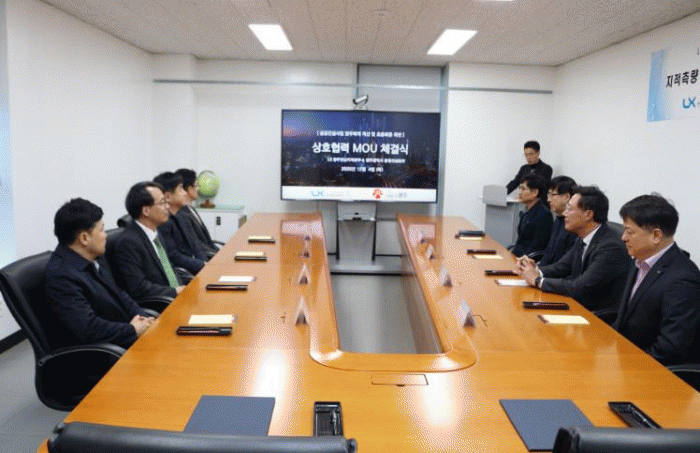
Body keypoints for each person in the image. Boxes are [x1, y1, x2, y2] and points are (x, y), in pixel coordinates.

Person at [45, 198, 155, 348]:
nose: (106, 235)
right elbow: (89, 328)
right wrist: (132, 329)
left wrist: (145, 317)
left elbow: (119, 293)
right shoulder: (61, 276)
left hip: (127, 334)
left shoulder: (95, 256)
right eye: (102, 229)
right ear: (84, 238)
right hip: (108, 351)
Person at [613, 195, 700, 365]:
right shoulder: (640, 259)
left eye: (630, 232)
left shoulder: (682, 279)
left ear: (656, 236)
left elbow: (670, 348)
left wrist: (630, 364)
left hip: (649, 369)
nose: (623, 237)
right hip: (624, 355)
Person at [516, 186, 631, 311]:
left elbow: (580, 286)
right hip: (577, 305)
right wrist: (534, 269)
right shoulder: (584, 236)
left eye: (569, 209)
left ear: (588, 214)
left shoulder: (610, 246)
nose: (565, 213)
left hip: (595, 314)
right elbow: (562, 267)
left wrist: (538, 281)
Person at [110, 182, 184, 300]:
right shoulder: (128, 242)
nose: (167, 207)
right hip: (160, 303)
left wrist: (183, 288)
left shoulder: (154, 233)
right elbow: (138, 287)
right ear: (146, 211)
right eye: (162, 202)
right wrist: (174, 291)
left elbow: (169, 269)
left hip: (176, 297)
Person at [153, 172, 206, 274]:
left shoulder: (181, 216)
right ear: (168, 197)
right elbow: (173, 256)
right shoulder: (163, 223)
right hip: (184, 274)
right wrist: (201, 265)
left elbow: (195, 245)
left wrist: (206, 263)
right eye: (181, 189)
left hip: (196, 269)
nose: (185, 193)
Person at [175, 168, 219, 255]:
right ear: (190, 189)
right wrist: (216, 255)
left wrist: (221, 252)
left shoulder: (191, 209)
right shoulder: (182, 214)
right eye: (197, 185)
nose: (198, 189)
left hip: (211, 252)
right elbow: (196, 244)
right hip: (205, 257)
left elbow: (207, 241)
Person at [538, 176, 578, 266]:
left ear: (566, 197)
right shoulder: (558, 220)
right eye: (548, 195)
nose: (548, 200)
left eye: (552, 195)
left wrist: (540, 271)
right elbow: (548, 253)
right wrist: (535, 266)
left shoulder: (574, 225)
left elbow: (565, 264)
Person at [510, 174, 552, 257]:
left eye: (523, 189)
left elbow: (538, 247)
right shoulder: (526, 211)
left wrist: (522, 259)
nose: (519, 192)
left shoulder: (544, 214)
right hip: (519, 256)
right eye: (519, 188)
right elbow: (520, 242)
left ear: (535, 192)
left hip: (529, 259)